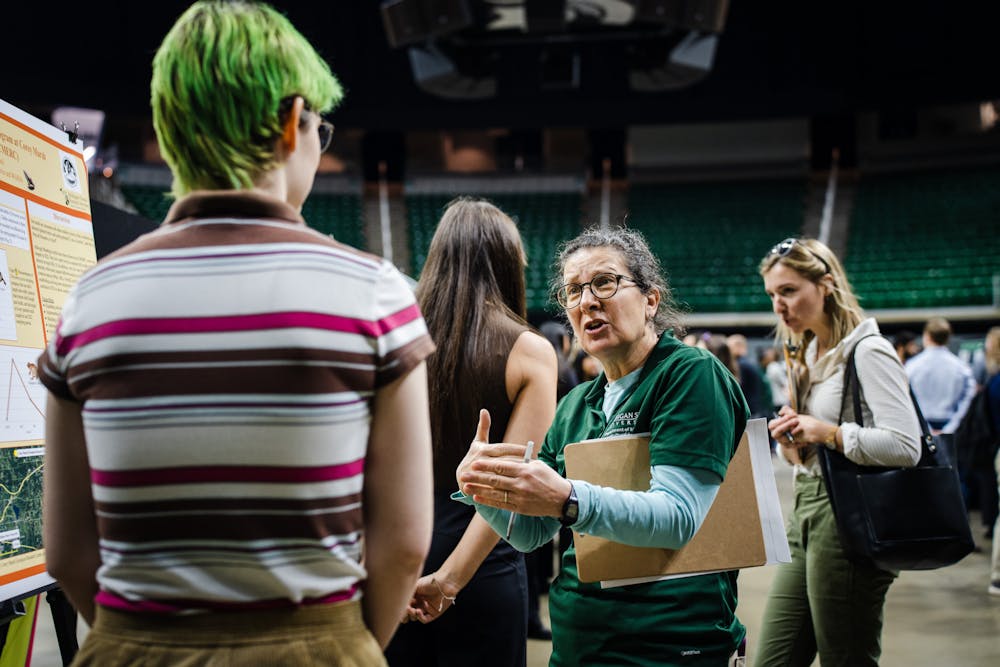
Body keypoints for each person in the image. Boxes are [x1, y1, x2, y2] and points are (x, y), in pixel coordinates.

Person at [39, 2, 436, 664]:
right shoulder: (374, 293)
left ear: (170, 138)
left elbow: (69, 553)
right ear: (290, 124)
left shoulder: (88, 300)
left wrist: (142, 638)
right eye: (320, 127)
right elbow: (402, 543)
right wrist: (335, 645)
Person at [457, 227, 750, 666]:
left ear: (651, 300)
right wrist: (484, 491)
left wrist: (567, 499)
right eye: (573, 291)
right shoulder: (578, 402)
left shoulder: (689, 374)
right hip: (581, 643)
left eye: (605, 283)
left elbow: (678, 517)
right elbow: (534, 534)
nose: (587, 302)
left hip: (668, 643)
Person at [385, 198, 557, 666]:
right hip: (482, 568)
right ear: (507, 263)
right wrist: (451, 581)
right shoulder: (530, 352)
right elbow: (506, 493)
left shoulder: (391, 337)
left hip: (396, 555)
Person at [755, 237, 922, 666]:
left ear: (825, 284)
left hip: (850, 513)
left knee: (845, 657)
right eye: (773, 294)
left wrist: (827, 432)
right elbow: (808, 449)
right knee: (773, 658)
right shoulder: (805, 352)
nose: (779, 305)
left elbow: (907, 446)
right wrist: (792, 440)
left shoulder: (869, 351)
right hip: (806, 507)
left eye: (789, 291)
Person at [905, 317, 976, 434]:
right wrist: (951, 426)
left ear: (927, 336)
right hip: (952, 427)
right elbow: (968, 398)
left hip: (920, 428)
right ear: (948, 337)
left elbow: (906, 397)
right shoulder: (961, 367)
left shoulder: (912, 366)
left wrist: (925, 427)